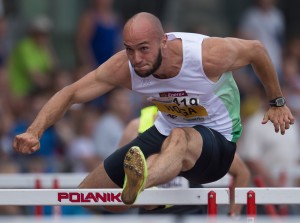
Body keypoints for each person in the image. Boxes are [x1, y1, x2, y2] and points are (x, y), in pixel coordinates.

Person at [13, 12, 294, 212]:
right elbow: (71, 92)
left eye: (144, 49)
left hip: (218, 141)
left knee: (182, 136)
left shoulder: (206, 55)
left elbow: (257, 50)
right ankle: (143, 194)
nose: (137, 59)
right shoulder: (126, 67)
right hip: (165, 131)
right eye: (129, 50)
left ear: (163, 42)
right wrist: (34, 131)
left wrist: (276, 101)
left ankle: (143, 183)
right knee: (90, 195)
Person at [120, 105, 250, 216]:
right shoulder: (135, 127)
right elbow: (119, 185)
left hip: (192, 213)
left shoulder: (195, 131)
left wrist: (233, 216)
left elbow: (242, 173)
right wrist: (143, 201)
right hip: (151, 216)